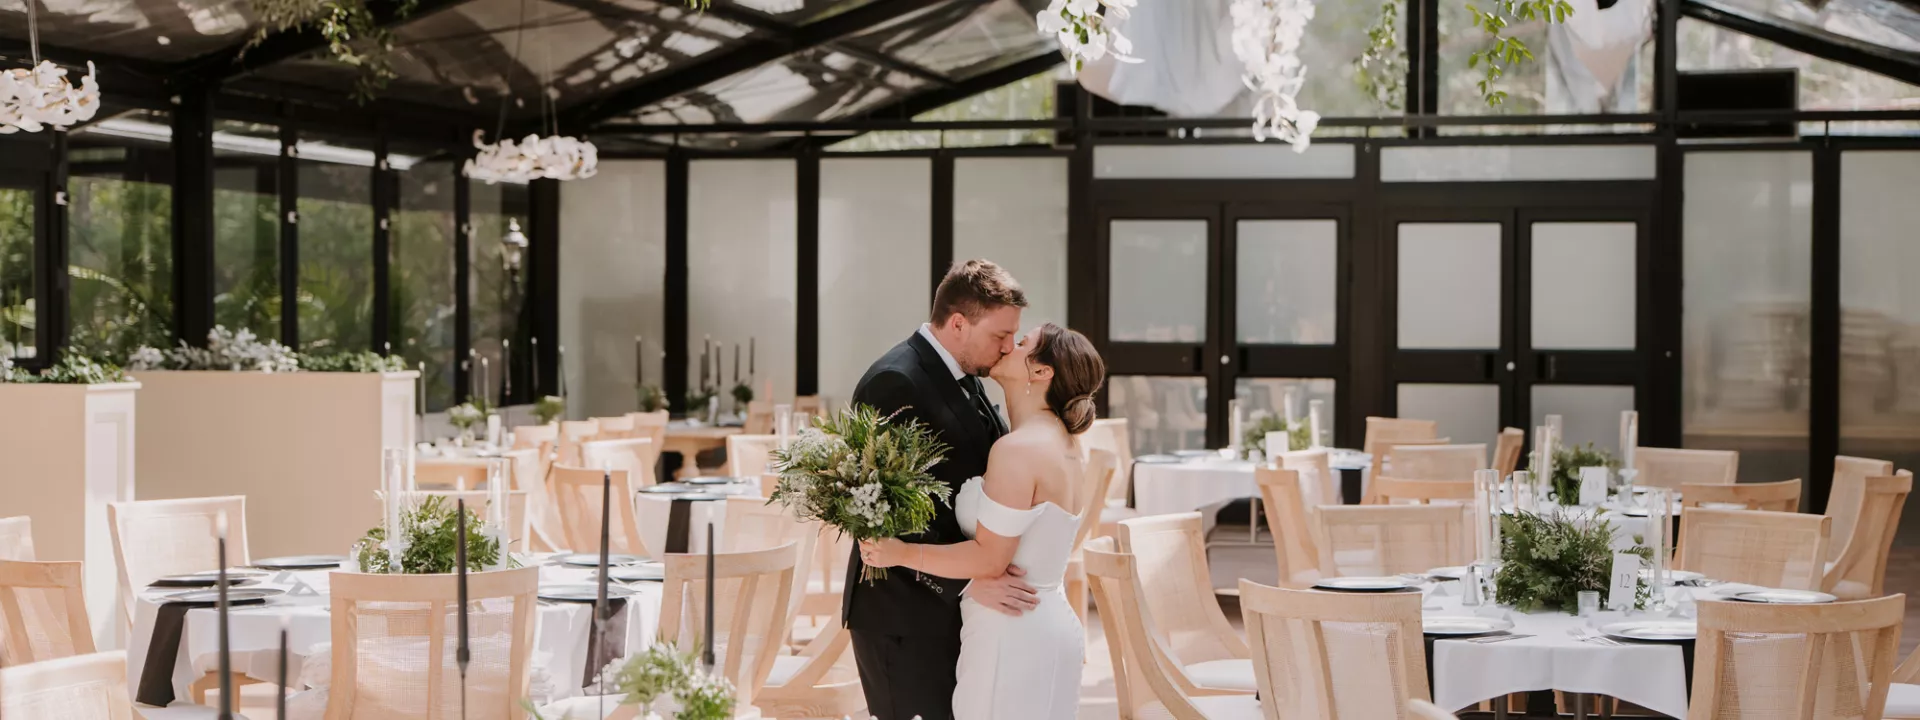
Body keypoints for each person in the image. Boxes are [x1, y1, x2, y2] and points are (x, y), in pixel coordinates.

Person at [860, 322, 1107, 720]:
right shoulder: (1062, 441)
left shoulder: (1018, 449)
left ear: (1042, 372)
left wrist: (900, 552)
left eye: (1023, 342)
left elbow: (991, 560)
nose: (1009, 344)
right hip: (1043, 621)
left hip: (1011, 632)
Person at [845, 259, 1041, 720]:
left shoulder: (968, 371)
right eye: (1000, 336)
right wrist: (971, 578)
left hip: (951, 613)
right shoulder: (895, 382)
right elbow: (880, 511)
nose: (1009, 346)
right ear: (958, 323)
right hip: (904, 615)